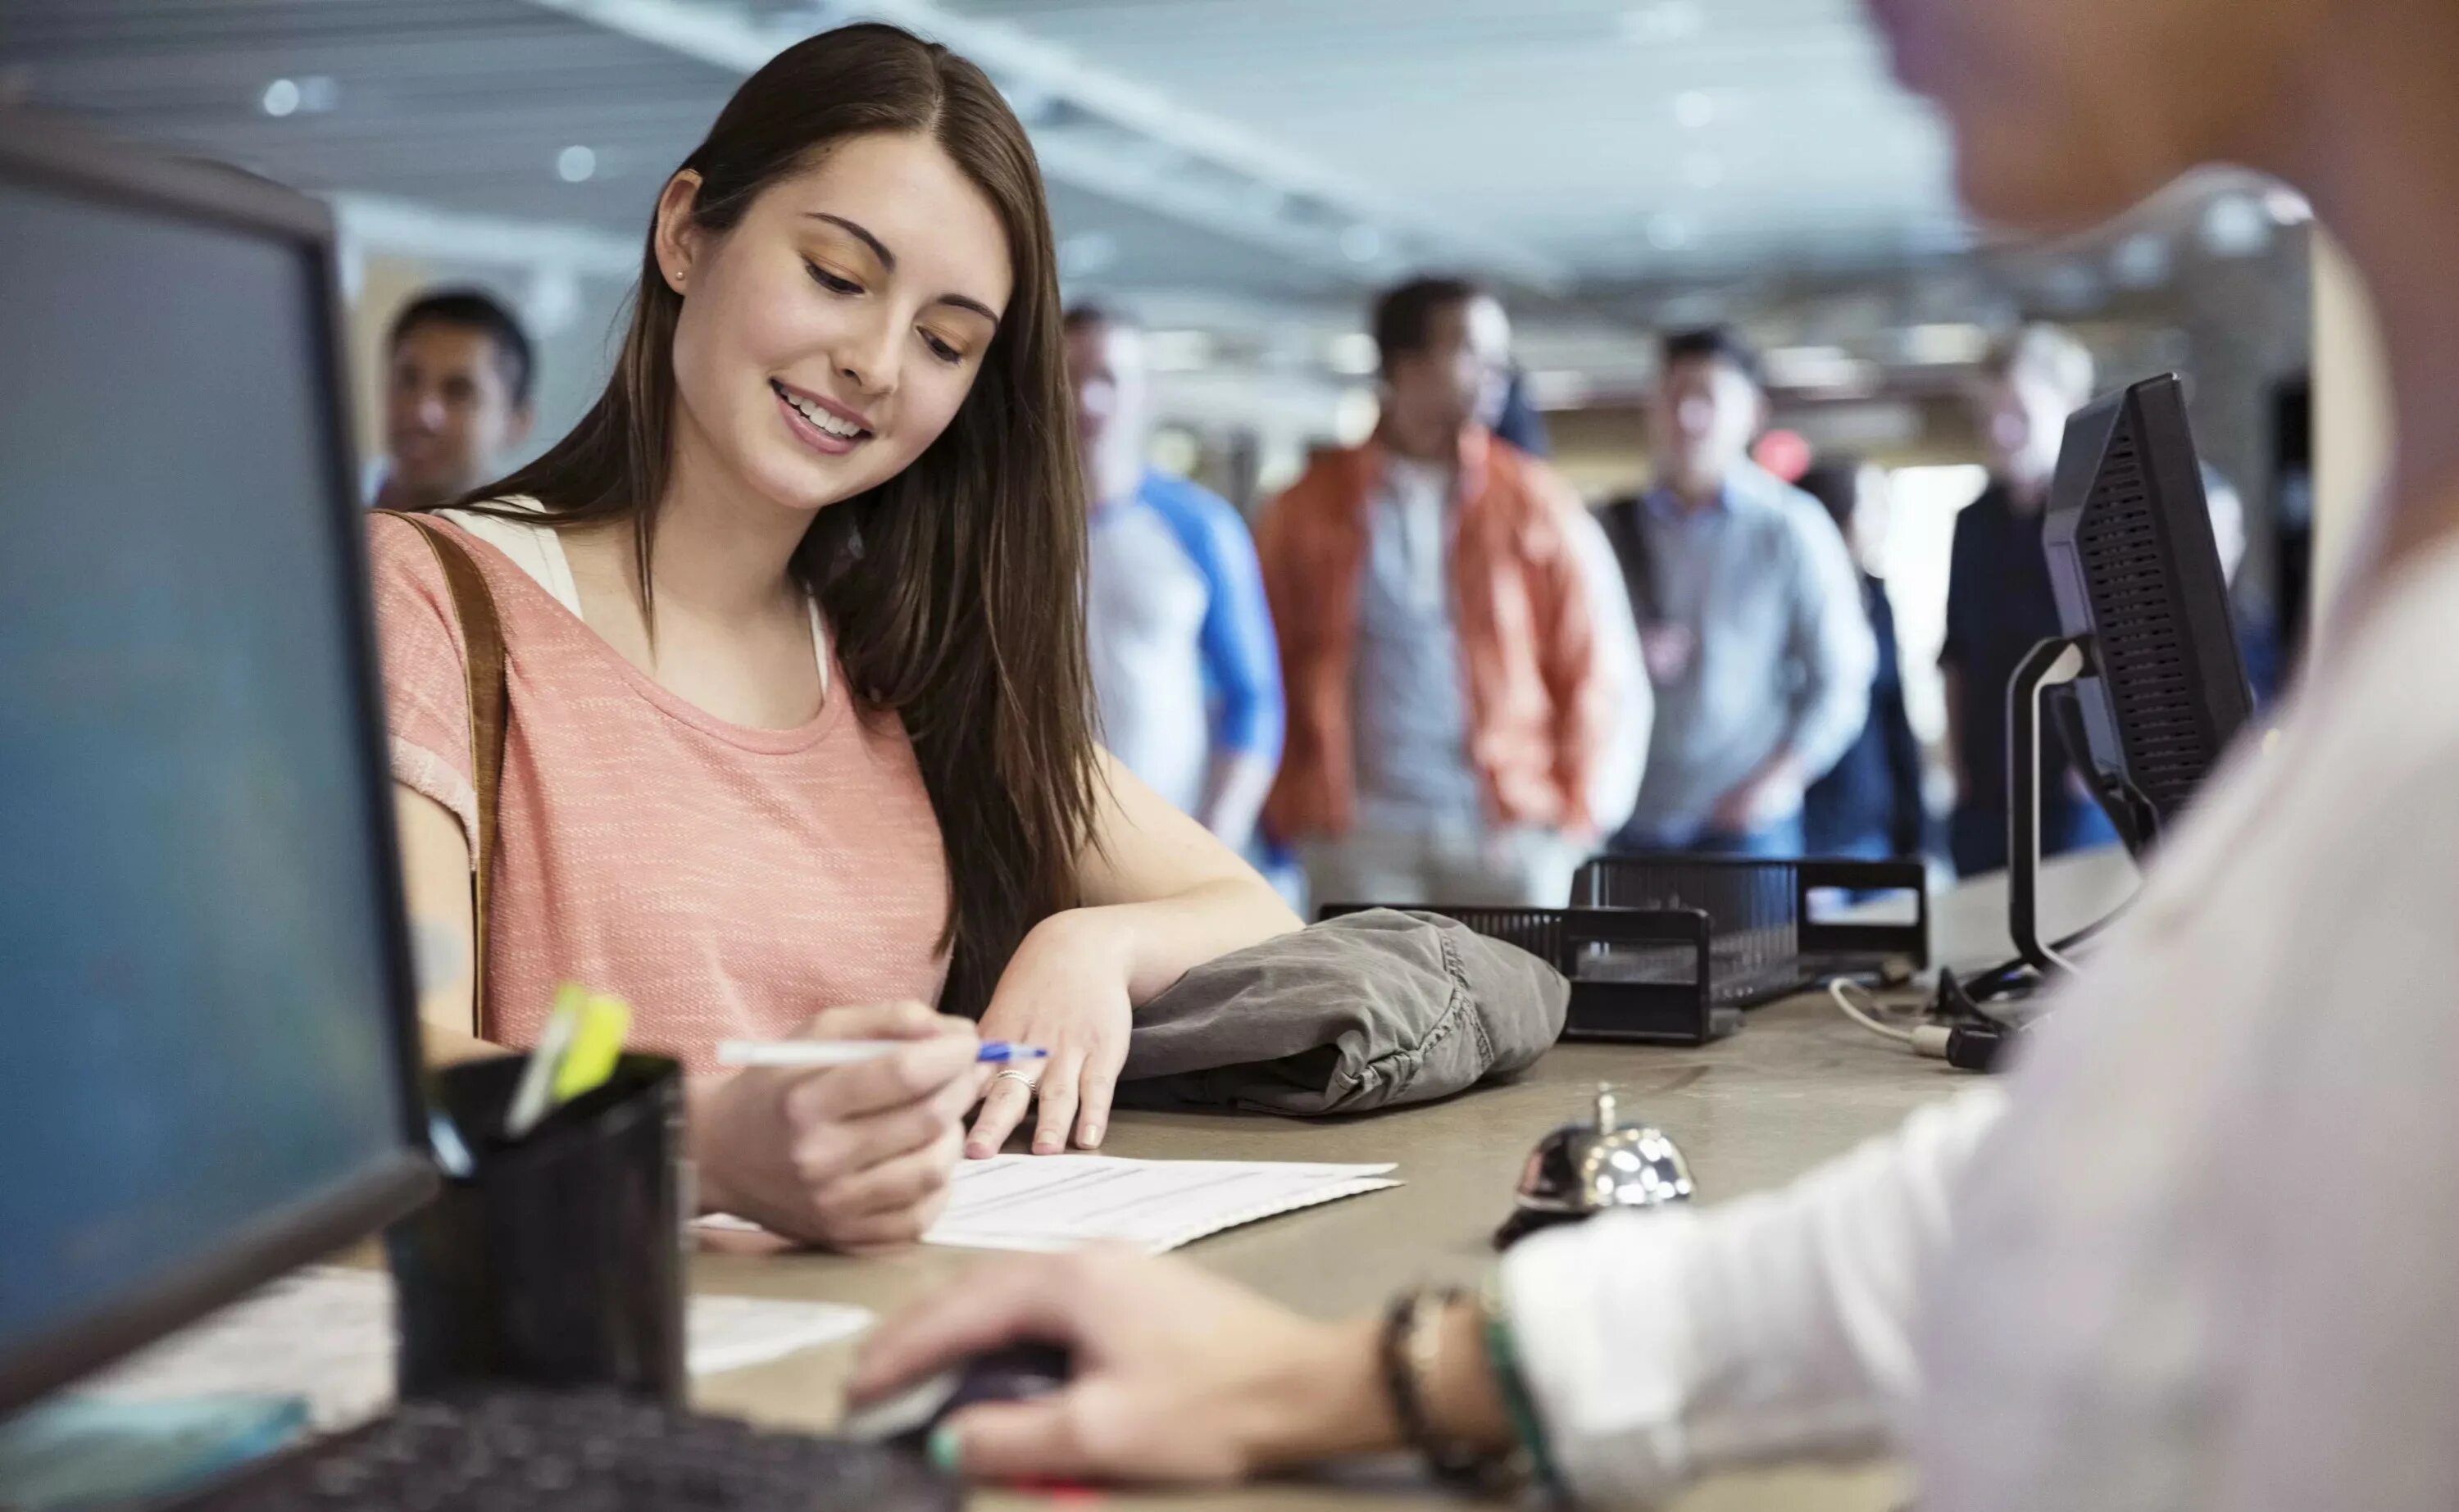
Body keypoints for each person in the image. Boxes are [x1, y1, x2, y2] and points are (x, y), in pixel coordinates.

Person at [854, 0, 2459, 1504]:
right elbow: (2088, 1200)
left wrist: (1568, 794)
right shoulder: (2406, 607)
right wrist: (1379, 1373)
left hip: (1520, 818)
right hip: (1370, 829)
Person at [377, 24, 1298, 1252]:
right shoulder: (436, 598)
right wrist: (708, 1138)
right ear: (686, 233)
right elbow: (395, 1071)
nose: (873, 363)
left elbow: (1250, 910)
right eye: (837, 276)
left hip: (892, 1363)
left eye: (944, 342)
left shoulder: (899, 663)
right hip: (580, 1370)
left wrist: (1096, 941)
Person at [1252, 276, 1615, 910]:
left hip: (1505, 829)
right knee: (1369, 1009)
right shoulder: (1307, 505)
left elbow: (1582, 663)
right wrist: (1291, 805)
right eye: (1473, 350)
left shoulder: (1531, 498)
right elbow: (1268, 662)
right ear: (1405, 365)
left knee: (1525, 1007)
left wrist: (1573, 809)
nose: (1498, 370)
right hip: (1357, 834)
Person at [1603, 329, 1875, 857]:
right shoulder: (1611, 527)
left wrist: (1779, 779)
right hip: (1631, 822)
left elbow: (1841, 676)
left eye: (1706, 397)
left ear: (1752, 412)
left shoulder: (1790, 528)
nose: (1687, 416)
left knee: (1756, 946)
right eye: (1673, 396)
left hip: (1745, 829)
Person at [1062, 305, 1283, 851]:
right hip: (1036, 840)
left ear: (1145, 393)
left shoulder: (1199, 527)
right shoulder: (1002, 529)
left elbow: (1253, 697)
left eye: (1108, 378)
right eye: (1067, 378)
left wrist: (1216, 837)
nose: (1088, 399)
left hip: (1166, 833)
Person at [1939, 322, 2120, 875]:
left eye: (2016, 412)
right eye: (1990, 415)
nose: (2000, 430)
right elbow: (1957, 653)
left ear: (2068, 406)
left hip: (2075, 781)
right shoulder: (1974, 521)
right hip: (1988, 782)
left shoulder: (2103, 514)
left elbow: (2125, 647)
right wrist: (1956, 760)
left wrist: (2101, 755)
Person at [1797, 456, 1925, 860]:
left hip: (1876, 827)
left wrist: (1915, 828)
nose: (1884, 521)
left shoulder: (1876, 596)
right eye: (1873, 507)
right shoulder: (1791, 605)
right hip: (1813, 833)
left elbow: (1894, 714)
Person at [369, 288, 535, 511]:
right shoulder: (320, 521)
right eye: (408, 380)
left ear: (516, 425)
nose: (422, 412)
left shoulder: (526, 544)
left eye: (459, 392)